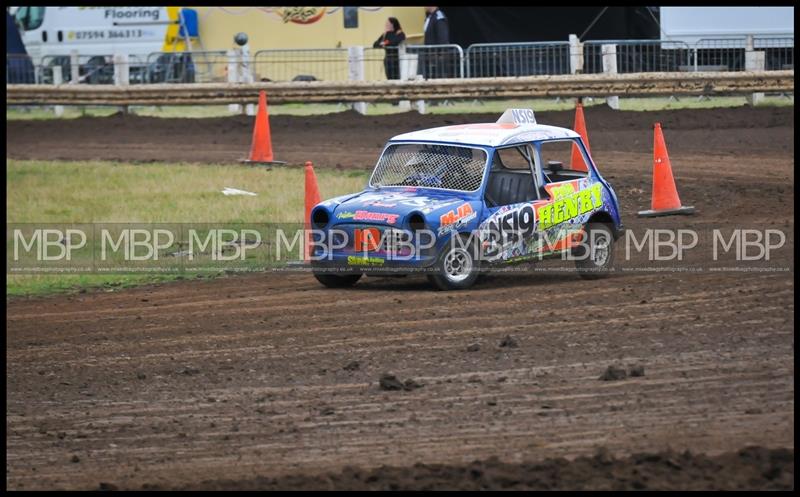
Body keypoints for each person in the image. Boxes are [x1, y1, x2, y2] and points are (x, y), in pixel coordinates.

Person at [421, 6, 450, 79]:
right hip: (430, 56)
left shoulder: (439, 17)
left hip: (437, 57)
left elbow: (443, 37)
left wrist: (440, 55)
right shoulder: (429, 17)